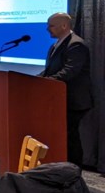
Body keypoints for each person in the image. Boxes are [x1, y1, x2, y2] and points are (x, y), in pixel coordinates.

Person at [40, 12, 93, 167]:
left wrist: (46, 81)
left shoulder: (76, 44)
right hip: (59, 99)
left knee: (70, 137)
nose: (47, 29)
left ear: (64, 26)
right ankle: (60, 168)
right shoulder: (55, 45)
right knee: (61, 136)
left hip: (73, 101)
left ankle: (74, 171)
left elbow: (69, 71)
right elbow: (50, 70)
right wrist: (35, 79)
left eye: (51, 25)